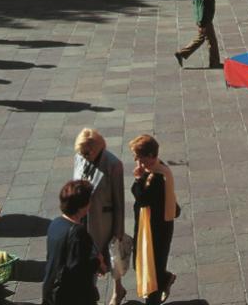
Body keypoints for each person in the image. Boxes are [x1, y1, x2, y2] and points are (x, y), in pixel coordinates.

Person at [74, 129, 126, 305]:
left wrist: (119, 231)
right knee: (88, 260)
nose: (83, 156)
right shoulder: (81, 157)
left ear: (97, 148)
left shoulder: (113, 164)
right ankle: (91, 296)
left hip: (104, 222)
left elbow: (119, 201)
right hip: (83, 219)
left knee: (112, 258)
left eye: (87, 152)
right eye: (81, 153)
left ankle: (117, 290)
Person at [130, 135, 178, 305]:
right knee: (144, 264)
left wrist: (138, 179)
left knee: (152, 269)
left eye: (140, 157)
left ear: (150, 156)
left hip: (156, 230)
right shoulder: (159, 169)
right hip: (152, 226)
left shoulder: (157, 177)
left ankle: (155, 295)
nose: (137, 161)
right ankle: (165, 279)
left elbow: (142, 198)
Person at [43, 179, 102, 305]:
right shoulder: (78, 233)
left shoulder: (55, 223)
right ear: (82, 206)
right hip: (72, 296)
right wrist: (98, 262)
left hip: (51, 290)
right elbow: (78, 269)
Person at [175, 0, 220, 69]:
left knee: (203, 39)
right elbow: (204, 10)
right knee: (210, 41)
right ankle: (214, 63)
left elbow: (194, 1)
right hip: (205, 21)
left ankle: (182, 54)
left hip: (201, 19)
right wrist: (203, 24)